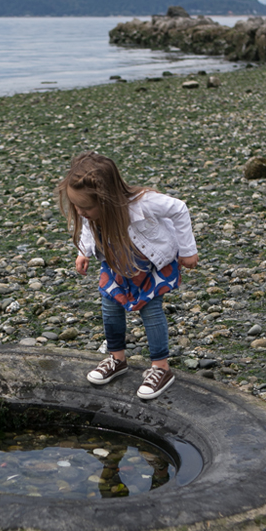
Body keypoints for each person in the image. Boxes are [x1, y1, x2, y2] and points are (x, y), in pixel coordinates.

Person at [56, 151, 198, 399]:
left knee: (150, 311)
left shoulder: (143, 203)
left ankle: (161, 367)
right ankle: (116, 358)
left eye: (86, 207)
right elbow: (89, 227)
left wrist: (188, 250)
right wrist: (83, 252)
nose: (80, 212)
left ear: (106, 198)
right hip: (115, 267)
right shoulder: (91, 213)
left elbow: (179, 209)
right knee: (109, 309)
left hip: (147, 267)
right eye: (76, 205)